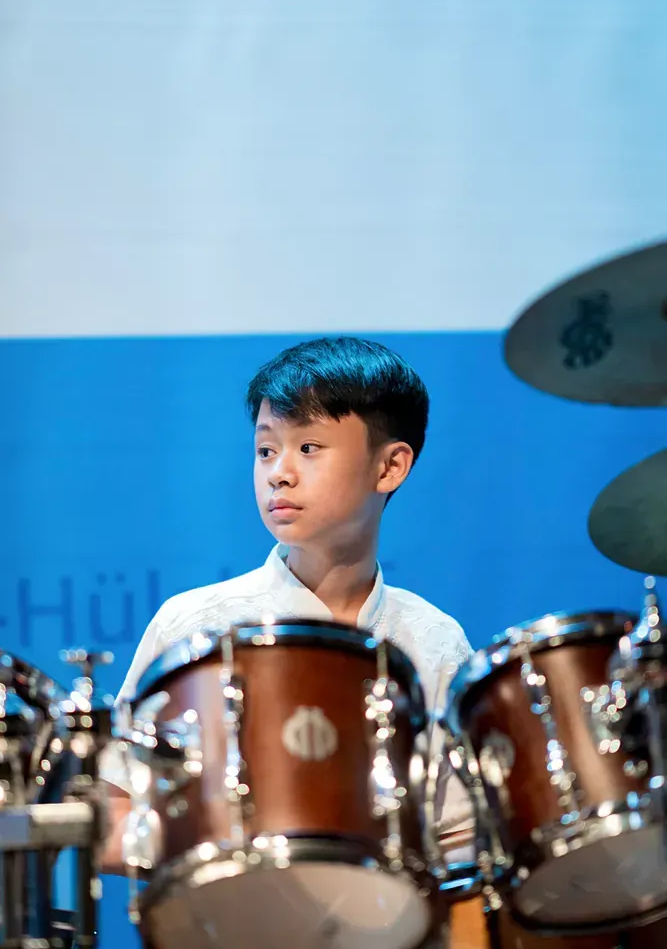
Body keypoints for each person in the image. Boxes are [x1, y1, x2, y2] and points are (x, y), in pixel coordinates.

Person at [99, 335, 474, 872]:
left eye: (309, 447)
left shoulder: (432, 641)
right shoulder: (197, 626)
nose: (279, 471)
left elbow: (459, 835)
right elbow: (115, 811)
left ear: (390, 467)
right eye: (266, 449)